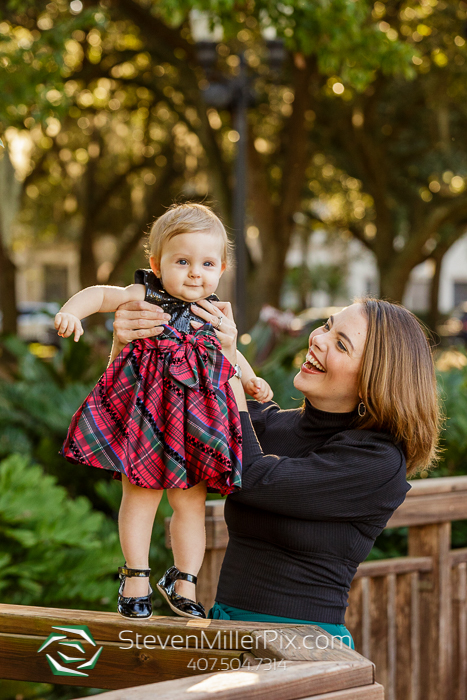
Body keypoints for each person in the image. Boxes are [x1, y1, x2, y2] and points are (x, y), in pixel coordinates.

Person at [112, 296, 441, 647]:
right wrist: (128, 346)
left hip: (302, 648)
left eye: (341, 344)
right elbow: (146, 429)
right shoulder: (273, 425)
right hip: (224, 634)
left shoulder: (377, 462)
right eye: (328, 326)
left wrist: (231, 370)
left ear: (374, 382)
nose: (318, 338)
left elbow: (251, 476)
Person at [54, 203, 273, 621]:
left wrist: (248, 378)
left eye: (207, 263)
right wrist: (70, 312)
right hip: (149, 418)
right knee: (140, 497)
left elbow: (230, 353)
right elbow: (100, 294)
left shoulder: (214, 311)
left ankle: (184, 579)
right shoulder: (145, 294)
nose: (195, 272)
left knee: (190, 504)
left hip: (195, 422)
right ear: (156, 264)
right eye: (182, 261)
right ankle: (135, 576)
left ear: (222, 268)